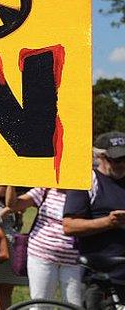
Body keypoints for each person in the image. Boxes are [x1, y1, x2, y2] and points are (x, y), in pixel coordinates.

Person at [63, 131, 125, 308]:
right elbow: (69, 226)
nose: (122, 164)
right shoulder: (88, 182)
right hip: (100, 278)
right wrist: (109, 222)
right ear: (100, 156)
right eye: (117, 159)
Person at [5, 185, 82, 306]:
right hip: (41, 255)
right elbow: (13, 206)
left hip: (75, 260)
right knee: (40, 305)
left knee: (75, 305)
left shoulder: (85, 192)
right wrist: (11, 183)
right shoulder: (45, 189)